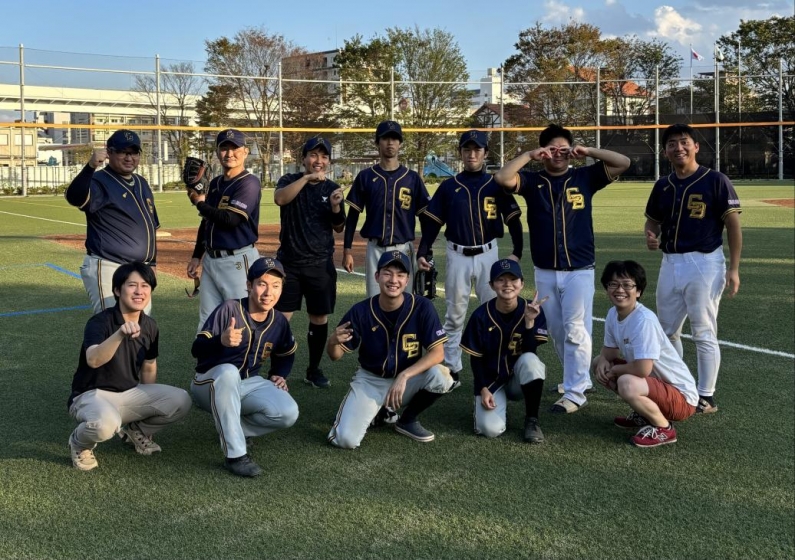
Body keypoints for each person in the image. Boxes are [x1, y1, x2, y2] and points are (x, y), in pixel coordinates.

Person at [494, 123, 631, 414]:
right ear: (544, 152)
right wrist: (530, 155)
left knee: (575, 330)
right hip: (545, 270)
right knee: (556, 330)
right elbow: (503, 177)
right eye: (552, 149)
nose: (559, 154)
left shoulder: (586, 176)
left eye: (563, 148)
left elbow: (624, 162)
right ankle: (577, 378)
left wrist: (589, 151)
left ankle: (575, 391)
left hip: (580, 268)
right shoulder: (533, 181)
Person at [644, 123, 743, 414]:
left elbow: (734, 225)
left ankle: (706, 394)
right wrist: (650, 235)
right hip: (670, 262)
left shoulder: (715, 180)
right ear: (665, 151)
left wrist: (734, 268)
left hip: (704, 262)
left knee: (703, 331)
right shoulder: (663, 184)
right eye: (672, 143)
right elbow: (652, 221)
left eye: (684, 142)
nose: (679, 148)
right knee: (667, 331)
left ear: (696, 146)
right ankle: (678, 385)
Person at [418, 130, 524, 389]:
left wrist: (518, 251)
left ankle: (498, 366)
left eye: (477, 149)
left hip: (489, 254)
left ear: (486, 153)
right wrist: (423, 250)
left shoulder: (496, 184)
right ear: (461, 153)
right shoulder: (449, 186)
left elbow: (513, 218)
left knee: (496, 312)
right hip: (458, 255)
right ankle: (453, 369)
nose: (472, 153)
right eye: (467, 148)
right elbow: (433, 222)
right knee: (455, 314)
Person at [67, 262, 191, 471]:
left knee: (182, 400)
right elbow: (94, 360)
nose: (139, 291)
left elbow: (149, 366)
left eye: (145, 286)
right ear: (117, 290)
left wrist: (147, 411)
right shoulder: (100, 322)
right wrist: (120, 334)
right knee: (105, 425)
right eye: (132, 285)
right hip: (91, 395)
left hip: (128, 394)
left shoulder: (150, 325)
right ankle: (79, 443)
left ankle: (137, 431)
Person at [326, 251, 453, 448]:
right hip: (371, 380)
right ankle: (381, 410)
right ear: (377, 276)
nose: (394, 280)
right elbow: (336, 356)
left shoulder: (422, 307)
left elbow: (438, 353)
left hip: (408, 379)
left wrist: (404, 376)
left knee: (442, 376)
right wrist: (332, 342)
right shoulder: (360, 311)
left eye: (400, 275)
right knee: (346, 440)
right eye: (387, 273)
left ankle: (407, 420)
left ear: (407, 279)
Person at [190, 257, 299, 477]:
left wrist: (279, 373)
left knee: (288, 412)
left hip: (249, 383)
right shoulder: (229, 309)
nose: (268, 292)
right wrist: (220, 340)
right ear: (249, 285)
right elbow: (197, 349)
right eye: (262, 283)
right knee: (229, 371)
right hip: (208, 382)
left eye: (275, 286)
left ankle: (231, 428)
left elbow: (287, 352)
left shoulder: (278, 321)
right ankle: (236, 456)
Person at [592, 260, 698, 448]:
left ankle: (664, 428)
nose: (620, 290)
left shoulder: (643, 320)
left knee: (626, 382)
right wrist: (602, 362)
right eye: (613, 284)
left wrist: (614, 369)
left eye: (627, 285)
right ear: (607, 288)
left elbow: (642, 369)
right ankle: (644, 414)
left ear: (638, 291)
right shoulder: (612, 314)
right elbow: (609, 352)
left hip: (682, 398)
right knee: (597, 363)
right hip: (657, 385)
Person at [274, 137, 346, 389]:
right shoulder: (288, 180)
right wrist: (305, 179)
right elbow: (280, 200)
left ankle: (313, 369)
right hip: (289, 264)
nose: (319, 161)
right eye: (314, 155)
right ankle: (276, 371)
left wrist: (336, 207)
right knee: (280, 319)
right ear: (303, 158)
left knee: (319, 318)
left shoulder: (332, 188)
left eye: (324, 156)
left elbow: (339, 227)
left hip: (320, 264)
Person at [65, 130, 159, 314]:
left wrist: (152, 263)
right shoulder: (100, 181)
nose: (129, 157)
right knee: (113, 327)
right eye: (123, 151)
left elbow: (151, 227)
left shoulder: (141, 182)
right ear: (110, 153)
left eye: (134, 152)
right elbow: (74, 197)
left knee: (138, 328)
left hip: (140, 270)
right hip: (110, 266)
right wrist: (90, 166)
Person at [461, 259, 549, 443]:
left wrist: (529, 322)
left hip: (518, 379)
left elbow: (531, 351)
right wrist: (482, 388)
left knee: (531, 362)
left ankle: (532, 420)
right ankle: (495, 403)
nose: (507, 284)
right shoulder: (480, 315)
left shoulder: (532, 310)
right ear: (492, 285)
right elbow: (475, 359)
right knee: (490, 429)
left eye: (513, 279)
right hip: (491, 380)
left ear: (522, 283)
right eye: (501, 280)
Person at [342, 120, 431, 296]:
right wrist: (347, 251)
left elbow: (426, 219)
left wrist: (424, 252)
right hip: (375, 249)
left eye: (395, 138)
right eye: (385, 138)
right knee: (374, 302)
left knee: (405, 302)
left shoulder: (412, 178)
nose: (390, 143)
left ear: (400, 143)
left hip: (403, 248)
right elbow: (352, 217)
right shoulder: (365, 177)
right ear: (377, 143)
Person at [186, 129, 262, 332]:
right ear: (217, 152)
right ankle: (207, 363)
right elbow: (207, 222)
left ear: (245, 151)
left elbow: (231, 220)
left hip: (238, 261)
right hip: (211, 260)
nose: (229, 154)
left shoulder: (249, 182)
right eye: (224, 148)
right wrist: (196, 256)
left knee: (240, 319)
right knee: (207, 321)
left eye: (235, 148)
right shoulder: (216, 183)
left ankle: (243, 363)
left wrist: (199, 203)